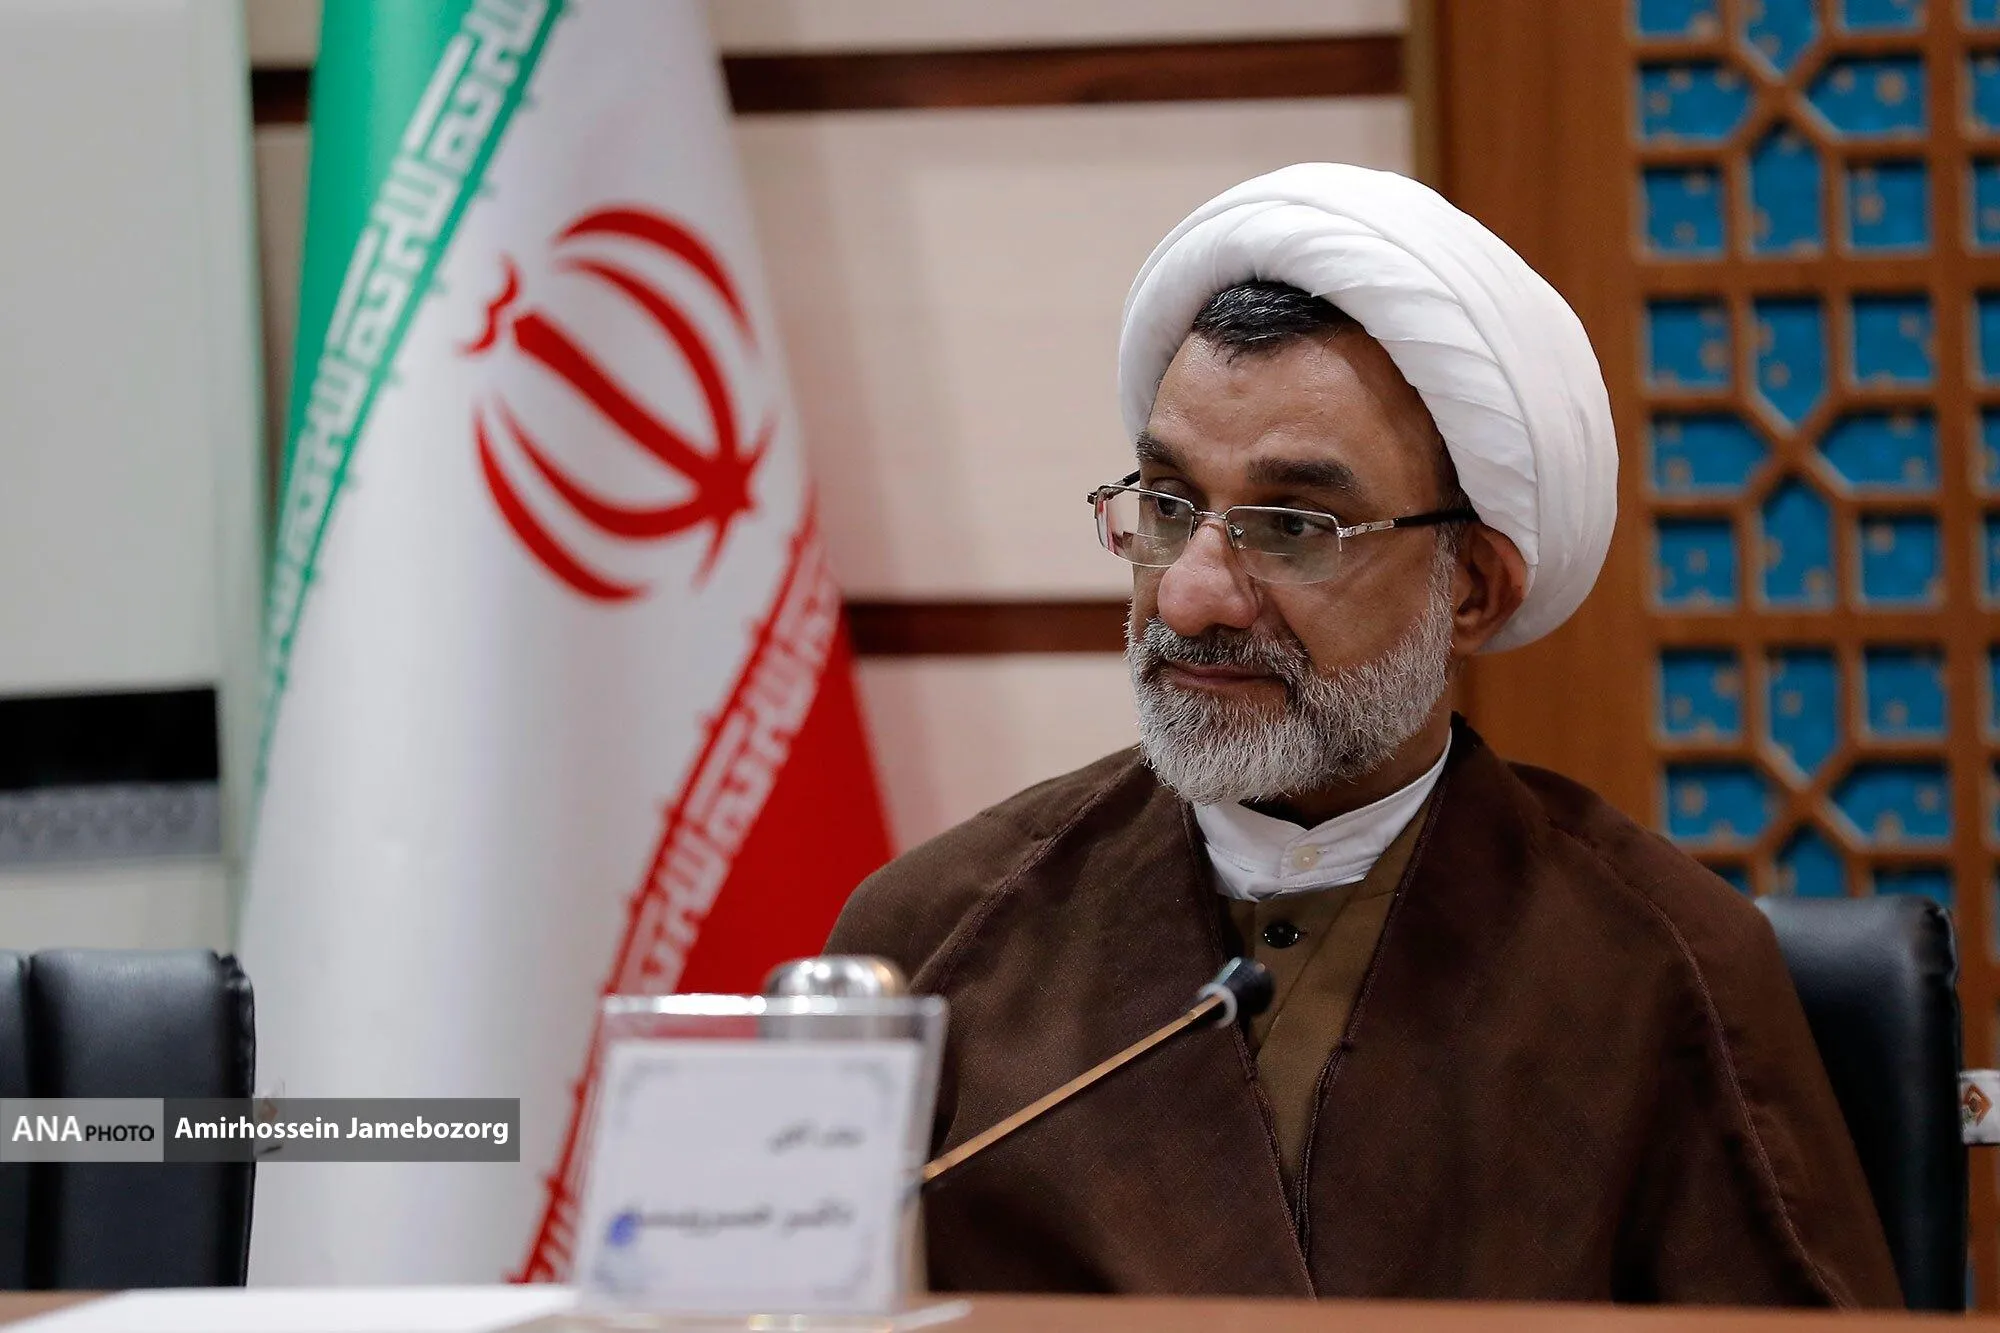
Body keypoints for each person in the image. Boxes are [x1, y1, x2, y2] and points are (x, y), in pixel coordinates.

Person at [825, 164, 1900, 1306]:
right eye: (1169, 506)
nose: (1190, 593)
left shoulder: (1665, 967)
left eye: (1292, 525)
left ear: (1471, 589)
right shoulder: (934, 939)